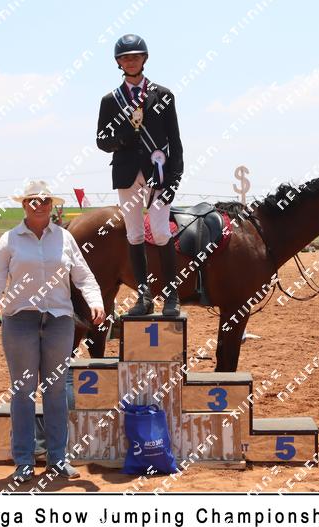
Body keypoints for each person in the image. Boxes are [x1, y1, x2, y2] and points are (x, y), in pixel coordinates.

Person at [0, 180, 106, 482]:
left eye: (46, 200)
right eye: (34, 200)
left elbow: (83, 275)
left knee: (56, 390)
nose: (41, 205)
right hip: (20, 320)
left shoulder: (65, 238)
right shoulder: (10, 240)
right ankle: (23, 461)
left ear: (52, 205)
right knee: (23, 392)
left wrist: (96, 301)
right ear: (24, 205)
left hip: (59, 320)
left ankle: (57, 459)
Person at [96, 33, 184, 317]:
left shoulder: (163, 95)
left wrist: (175, 179)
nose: (131, 61)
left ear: (144, 59)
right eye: (125, 58)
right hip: (126, 174)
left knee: (160, 231)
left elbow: (175, 140)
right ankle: (144, 296)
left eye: (135, 56)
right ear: (119, 63)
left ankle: (171, 295)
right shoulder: (110, 100)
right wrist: (125, 135)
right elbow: (101, 140)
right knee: (134, 234)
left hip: (158, 172)